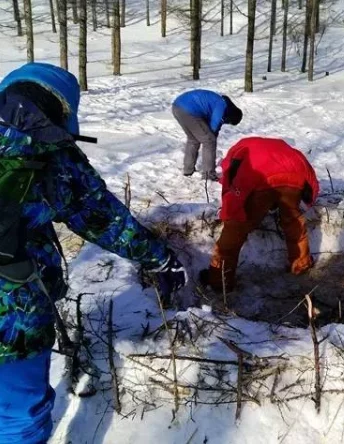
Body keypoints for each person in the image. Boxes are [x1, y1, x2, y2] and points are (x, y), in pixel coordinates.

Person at [0, 62, 187, 443]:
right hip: (13, 313)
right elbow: (103, 219)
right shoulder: (53, 155)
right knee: (18, 416)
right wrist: (160, 258)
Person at [199, 137, 319, 292]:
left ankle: (219, 280)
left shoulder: (238, 154)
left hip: (261, 181)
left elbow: (232, 187)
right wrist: (309, 198)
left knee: (235, 230)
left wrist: (231, 215)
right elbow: (309, 176)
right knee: (292, 221)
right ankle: (301, 264)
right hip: (293, 178)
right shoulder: (287, 150)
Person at [172, 89, 243, 180]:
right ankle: (209, 175)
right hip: (189, 110)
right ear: (231, 115)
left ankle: (188, 170)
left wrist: (213, 134)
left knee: (193, 139)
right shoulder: (221, 105)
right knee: (209, 141)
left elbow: (216, 125)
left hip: (177, 107)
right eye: (229, 122)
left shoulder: (221, 104)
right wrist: (212, 138)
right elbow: (214, 126)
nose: (227, 123)